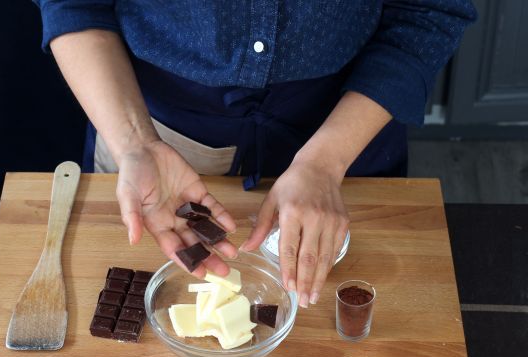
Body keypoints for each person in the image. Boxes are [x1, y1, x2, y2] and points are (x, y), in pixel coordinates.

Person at [33, 1, 476, 307]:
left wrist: (324, 161)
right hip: (154, 134)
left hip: (351, 131)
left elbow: (428, 12)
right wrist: (135, 144)